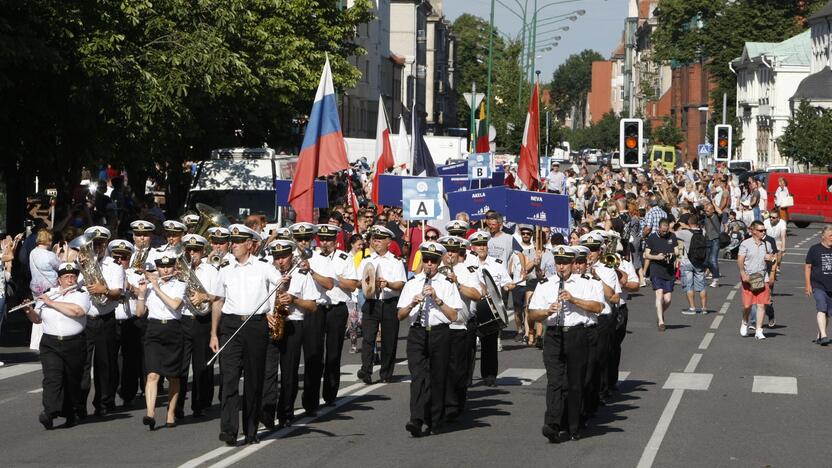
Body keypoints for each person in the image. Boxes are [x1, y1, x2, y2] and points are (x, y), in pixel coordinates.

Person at [210, 224, 282, 446]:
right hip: (231, 325)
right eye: (232, 241)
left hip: (255, 325)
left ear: (250, 245)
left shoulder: (263, 267)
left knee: (254, 380)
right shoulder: (225, 269)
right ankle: (229, 430)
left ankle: (251, 430)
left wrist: (271, 310)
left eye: (238, 242)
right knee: (229, 379)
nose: (233, 245)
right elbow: (218, 301)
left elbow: (279, 284)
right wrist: (214, 333)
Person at [528, 246, 604, 443]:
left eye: (565, 263)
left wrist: (574, 299)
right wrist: (547, 311)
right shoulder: (545, 284)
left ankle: (573, 424)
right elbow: (532, 313)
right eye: (558, 263)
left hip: (576, 334)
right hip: (553, 334)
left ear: (572, 264)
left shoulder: (586, 283)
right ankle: (552, 424)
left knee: (575, 383)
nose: (561, 267)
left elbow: (598, 307)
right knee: (554, 380)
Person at [397, 242, 464, 437]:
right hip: (417, 333)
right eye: (425, 260)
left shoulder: (447, 284)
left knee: (438, 377)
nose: (429, 264)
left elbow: (453, 316)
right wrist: (411, 304)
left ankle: (435, 419)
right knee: (418, 377)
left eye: (433, 261)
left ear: (438, 262)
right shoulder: (412, 283)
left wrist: (437, 299)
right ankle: (416, 419)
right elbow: (400, 315)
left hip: (439, 333)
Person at [24, 262, 90, 429]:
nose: (70, 280)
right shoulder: (49, 294)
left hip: (74, 343)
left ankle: (70, 413)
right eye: (66, 277)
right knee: (52, 378)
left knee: (71, 380)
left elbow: (77, 311)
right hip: (50, 343)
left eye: (73, 276)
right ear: (59, 279)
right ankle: (49, 412)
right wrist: (29, 311)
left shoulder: (81, 294)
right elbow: (37, 319)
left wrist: (51, 303)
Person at [134, 255, 186, 430]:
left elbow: (175, 305)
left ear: (174, 268)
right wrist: (141, 295)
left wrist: (156, 287)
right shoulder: (148, 287)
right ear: (157, 268)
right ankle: (150, 414)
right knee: (152, 375)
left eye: (169, 267)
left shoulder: (180, 284)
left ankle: (171, 413)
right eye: (162, 268)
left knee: (173, 375)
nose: (165, 270)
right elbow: (140, 313)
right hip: (154, 330)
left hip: (173, 329)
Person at [78, 226, 125, 417]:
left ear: (105, 244)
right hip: (86, 319)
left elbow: (118, 293)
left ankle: (103, 402)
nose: (97, 247)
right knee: (83, 364)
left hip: (106, 319)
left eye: (100, 244)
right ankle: (79, 404)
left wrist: (103, 290)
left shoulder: (114, 267)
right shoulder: (81, 266)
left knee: (104, 363)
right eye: (93, 244)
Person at [175, 234, 220, 419]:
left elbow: (218, 297)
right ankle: (177, 406)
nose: (192, 253)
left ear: (203, 251)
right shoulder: (179, 269)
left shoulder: (211, 271)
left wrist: (204, 296)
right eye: (189, 250)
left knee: (201, 366)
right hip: (183, 320)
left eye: (196, 250)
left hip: (202, 321)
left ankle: (199, 404)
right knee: (180, 366)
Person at [356, 225, 406, 385]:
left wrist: (388, 284)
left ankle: (386, 372)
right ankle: (366, 370)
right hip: (371, 302)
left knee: (389, 340)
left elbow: (400, 284)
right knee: (368, 338)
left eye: (380, 239)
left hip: (389, 302)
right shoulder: (366, 260)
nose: (376, 241)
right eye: (374, 239)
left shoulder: (396, 261)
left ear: (388, 242)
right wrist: (366, 283)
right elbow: (358, 282)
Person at [315, 224, 359, 407]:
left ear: (335, 241)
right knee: (315, 352)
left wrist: (336, 278)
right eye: (322, 239)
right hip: (317, 307)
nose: (325, 243)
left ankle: (331, 393)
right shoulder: (313, 258)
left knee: (333, 351)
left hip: (337, 308)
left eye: (328, 240)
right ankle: (311, 396)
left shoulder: (344, 258)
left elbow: (353, 285)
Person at [438, 235, 481, 420]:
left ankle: (456, 403)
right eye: (446, 251)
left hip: (460, 326)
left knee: (458, 369)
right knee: (441, 367)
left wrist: (457, 283)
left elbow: (477, 294)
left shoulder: (466, 270)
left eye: (453, 251)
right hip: (441, 326)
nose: (450, 255)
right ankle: (442, 404)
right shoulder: (435, 269)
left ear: (459, 253)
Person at [466, 230, 514, 386]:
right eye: (478, 245)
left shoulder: (497, 264)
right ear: (472, 247)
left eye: (484, 245)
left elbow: (506, 282)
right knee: (468, 346)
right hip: (472, 308)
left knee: (490, 345)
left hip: (491, 309)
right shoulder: (466, 263)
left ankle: (489, 376)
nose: (481, 248)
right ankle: (466, 378)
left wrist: (508, 286)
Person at [737, 220, 775, 340]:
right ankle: (744, 321)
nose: (763, 232)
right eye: (760, 230)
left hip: (762, 278)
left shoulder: (766, 244)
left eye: (764, 230)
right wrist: (743, 273)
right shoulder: (745, 244)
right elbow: (740, 260)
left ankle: (759, 330)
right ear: (753, 231)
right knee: (747, 305)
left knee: (761, 305)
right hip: (749, 278)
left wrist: (771, 259)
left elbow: (772, 259)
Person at [644, 219, 679, 331]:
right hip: (656, 270)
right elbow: (646, 255)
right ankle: (661, 322)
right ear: (659, 228)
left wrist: (672, 255)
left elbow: (677, 251)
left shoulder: (672, 236)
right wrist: (656, 257)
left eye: (666, 230)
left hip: (668, 271)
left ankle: (660, 313)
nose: (665, 232)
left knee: (668, 299)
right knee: (659, 295)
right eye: (663, 231)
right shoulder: (652, 237)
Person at [804, 225, 832, 346]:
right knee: (822, 307)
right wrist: (807, 284)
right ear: (823, 236)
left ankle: (821, 334)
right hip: (818, 285)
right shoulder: (814, 249)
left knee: (827, 313)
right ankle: (824, 336)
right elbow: (808, 267)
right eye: (830, 235)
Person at [677, 214, 708, 314]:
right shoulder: (703, 231)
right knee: (702, 286)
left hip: (687, 262)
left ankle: (692, 308)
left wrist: (681, 226)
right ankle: (704, 308)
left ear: (688, 223)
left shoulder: (684, 233)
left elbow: (673, 233)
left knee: (689, 286)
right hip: (699, 262)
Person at [701, 202, 722, 288]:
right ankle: (712, 272)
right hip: (707, 240)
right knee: (706, 261)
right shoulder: (705, 216)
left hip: (715, 240)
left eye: (708, 211)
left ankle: (715, 279)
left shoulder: (717, 217)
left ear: (713, 210)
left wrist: (713, 203)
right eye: (705, 211)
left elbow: (720, 212)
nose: (706, 212)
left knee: (713, 260)